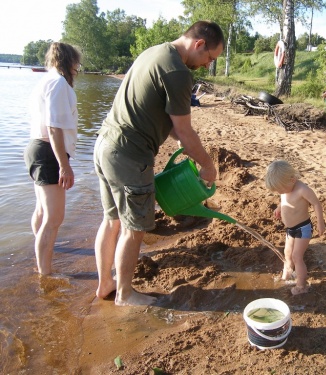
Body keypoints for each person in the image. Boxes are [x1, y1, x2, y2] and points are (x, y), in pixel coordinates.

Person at [93, 21, 225, 306]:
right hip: (130, 155)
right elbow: (187, 131)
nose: (205, 65)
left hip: (105, 144)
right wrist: (207, 165)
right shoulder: (178, 71)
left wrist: (182, 140)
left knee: (112, 220)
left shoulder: (154, 52)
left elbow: (167, 121)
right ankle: (125, 295)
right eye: (209, 58)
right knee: (134, 228)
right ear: (199, 44)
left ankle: (106, 283)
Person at [23, 42, 82, 275]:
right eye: (76, 63)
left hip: (37, 148)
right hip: (48, 152)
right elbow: (54, 127)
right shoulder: (58, 83)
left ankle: (41, 254)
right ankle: (45, 272)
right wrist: (64, 165)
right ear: (69, 62)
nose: (78, 67)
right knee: (54, 218)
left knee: (41, 211)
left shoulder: (46, 80)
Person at [265, 160, 325, 295]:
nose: (279, 192)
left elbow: (316, 204)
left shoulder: (303, 190)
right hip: (290, 229)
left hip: (303, 228)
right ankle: (288, 270)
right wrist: (279, 207)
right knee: (288, 253)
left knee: (297, 256)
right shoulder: (285, 186)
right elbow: (284, 199)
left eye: (280, 190)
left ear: (292, 180)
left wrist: (320, 222)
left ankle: (301, 285)